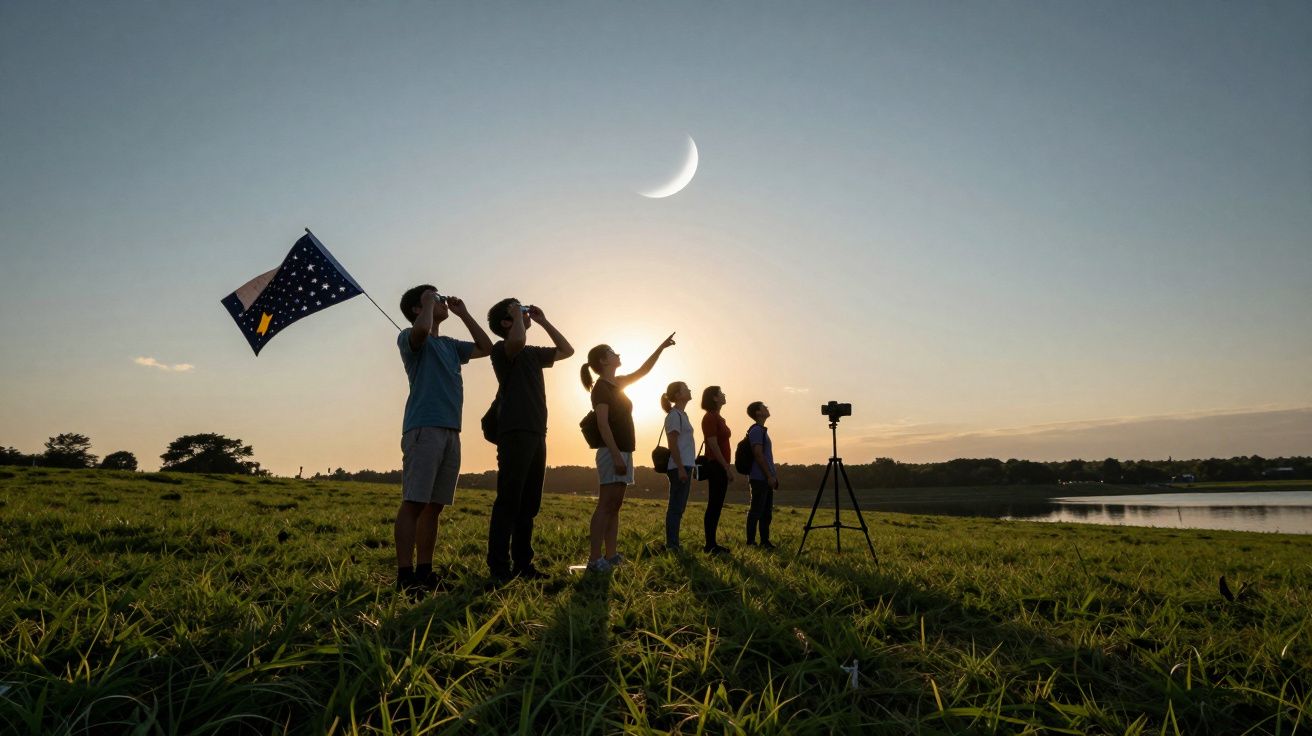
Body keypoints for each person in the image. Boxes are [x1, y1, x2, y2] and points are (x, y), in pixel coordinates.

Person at [394, 285, 493, 595]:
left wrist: (463, 313)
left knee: (434, 507)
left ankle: (425, 571)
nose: (441, 301)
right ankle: (404, 575)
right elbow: (421, 329)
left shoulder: (450, 345)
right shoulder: (409, 337)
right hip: (424, 428)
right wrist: (427, 300)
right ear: (417, 307)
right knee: (414, 502)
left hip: (451, 430)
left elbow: (486, 346)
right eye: (434, 297)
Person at [484, 298, 574, 583]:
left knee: (529, 504)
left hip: (537, 432)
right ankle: (499, 567)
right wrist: (518, 318)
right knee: (509, 501)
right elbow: (517, 342)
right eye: (517, 310)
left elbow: (567, 351)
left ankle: (524, 565)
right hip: (514, 432)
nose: (524, 312)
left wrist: (544, 321)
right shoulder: (502, 350)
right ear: (506, 323)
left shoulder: (534, 353)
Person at [581, 333, 677, 573]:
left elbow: (643, 371)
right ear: (603, 361)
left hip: (624, 450)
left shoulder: (618, 383)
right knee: (605, 505)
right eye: (612, 352)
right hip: (611, 452)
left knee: (615, 506)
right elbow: (603, 424)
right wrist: (614, 455)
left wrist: (661, 347)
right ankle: (594, 560)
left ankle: (611, 555)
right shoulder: (601, 388)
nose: (618, 354)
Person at [660, 381, 696, 552]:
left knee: (679, 507)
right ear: (677, 395)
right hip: (678, 467)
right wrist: (681, 467)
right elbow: (672, 443)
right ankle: (672, 545)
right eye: (685, 389)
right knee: (676, 507)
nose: (689, 390)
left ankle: (674, 543)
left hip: (685, 465)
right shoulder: (674, 415)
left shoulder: (683, 414)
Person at [698, 385, 734, 555]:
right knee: (714, 504)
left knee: (717, 505)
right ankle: (710, 545)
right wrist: (726, 467)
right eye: (721, 393)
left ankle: (712, 544)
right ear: (714, 398)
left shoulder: (719, 418)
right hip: (716, 466)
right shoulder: (710, 417)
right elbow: (712, 444)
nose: (724, 395)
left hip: (720, 466)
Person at [744, 400, 778, 549]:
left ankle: (765, 541)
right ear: (758, 412)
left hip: (765, 477)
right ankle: (751, 542)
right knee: (756, 511)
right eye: (764, 407)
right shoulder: (757, 431)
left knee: (766, 513)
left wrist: (772, 474)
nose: (767, 408)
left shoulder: (761, 430)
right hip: (759, 478)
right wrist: (769, 475)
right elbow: (758, 454)